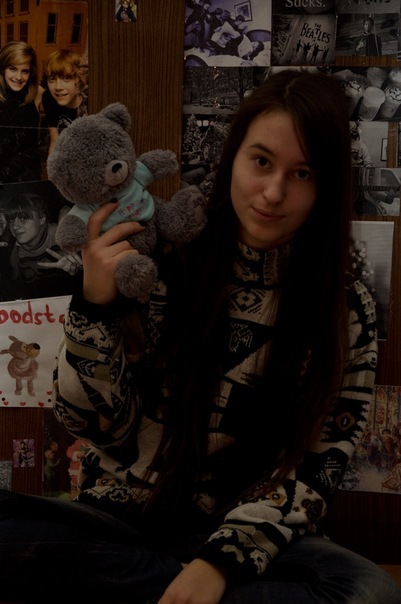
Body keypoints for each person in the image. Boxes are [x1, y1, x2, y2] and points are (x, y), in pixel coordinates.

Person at [1, 69, 401, 603]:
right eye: (261, 162)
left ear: (325, 186)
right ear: (232, 157)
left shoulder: (344, 308)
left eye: (302, 173)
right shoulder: (158, 257)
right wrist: (94, 306)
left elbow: (317, 465)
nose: (274, 192)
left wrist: (218, 564)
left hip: (248, 538)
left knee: (371, 591)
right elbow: (94, 427)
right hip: (126, 519)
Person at [3, 192, 82, 300]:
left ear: (42, 219)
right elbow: (21, 291)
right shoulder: (16, 256)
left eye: (23, 218)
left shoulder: (62, 237)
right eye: (11, 220)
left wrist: (77, 270)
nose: (15, 227)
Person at [0, 40, 44, 183]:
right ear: (3, 69)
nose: (18, 77)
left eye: (25, 71)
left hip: (28, 179)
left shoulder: (37, 93)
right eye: (12, 69)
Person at [41, 48, 88, 156]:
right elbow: (55, 141)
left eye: (66, 78)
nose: (58, 87)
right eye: (52, 79)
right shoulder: (48, 98)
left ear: (79, 80)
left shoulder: (89, 103)